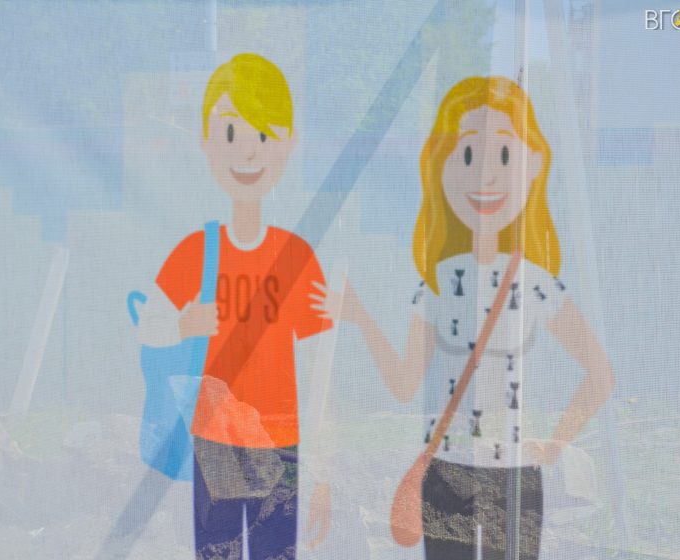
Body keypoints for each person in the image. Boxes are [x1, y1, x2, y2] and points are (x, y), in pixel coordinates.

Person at [313, 76, 615, 560]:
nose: (485, 177)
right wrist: (363, 320)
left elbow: (600, 374)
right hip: (447, 471)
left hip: (513, 476)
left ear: (534, 165)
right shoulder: (436, 284)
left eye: (504, 156)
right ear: (441, 166)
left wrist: (554, 446)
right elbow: (404, 385)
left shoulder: (533, 283)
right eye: (469, 155)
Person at [137, 53, 332, 560]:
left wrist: (324, 462)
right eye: (230, 133)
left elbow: (321, 360)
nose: (247, 151)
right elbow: (149, 326)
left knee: (274, 551)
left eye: (262, 135)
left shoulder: (296, 257)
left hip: (279, 437)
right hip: (215, 438)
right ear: (207, 142)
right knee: (218, 552)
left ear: (287, 143)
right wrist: (183, 324)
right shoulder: (195, 252)